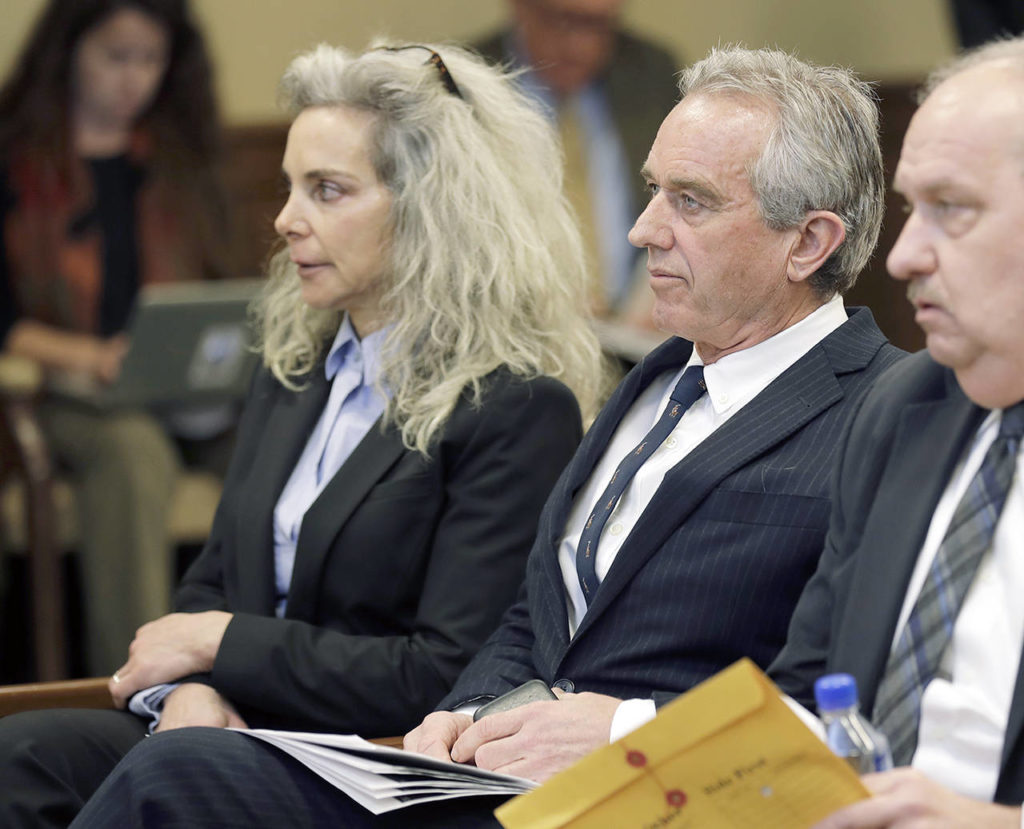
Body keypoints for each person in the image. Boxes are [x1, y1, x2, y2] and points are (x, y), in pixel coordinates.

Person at [67, 45, 906, 829]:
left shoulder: (884, 409)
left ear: (809, 242)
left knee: (173, 782)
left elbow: (847, 701)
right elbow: (531, 613)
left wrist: (621, 729)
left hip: (658, 800)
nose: (643, 229)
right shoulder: (655, 379)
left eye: (689, 201)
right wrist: (458, 715)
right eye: (652, 191)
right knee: (42, 758)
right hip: (479, 776)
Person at [0, 41, 604, 828]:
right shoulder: (294, 368)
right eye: (290, 188)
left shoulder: (517, 407)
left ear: (430, 209)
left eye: (327, 190)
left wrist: (223, 645)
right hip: (229, 723)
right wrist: (194, 687)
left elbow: (444, 669)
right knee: (19, 754)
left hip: (366, 760)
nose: (286, 220)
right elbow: (211, 581)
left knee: (167, 778)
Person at [764, 36, 1024, 828]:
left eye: (954, 208)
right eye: (912, 209)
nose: (905, 255)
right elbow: (806, 691)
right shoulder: (903, 407)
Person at [0, 0, 231, 674]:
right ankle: (137, 682)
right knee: (133, 451)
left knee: (276, 434)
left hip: (181, 388)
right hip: (59, 392)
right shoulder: (16, 163)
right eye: (116, 57)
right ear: (69, 52)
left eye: (150, 60)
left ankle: (280, 667)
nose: (134, 79)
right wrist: (93, 358)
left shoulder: (178, 161)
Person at [473, 0, 678, 318]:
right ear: (520, 8)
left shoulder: (653, 77)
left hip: (630, 339)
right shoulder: (463, 83)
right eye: (563, 21)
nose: (581, 46)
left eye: (599, 25)